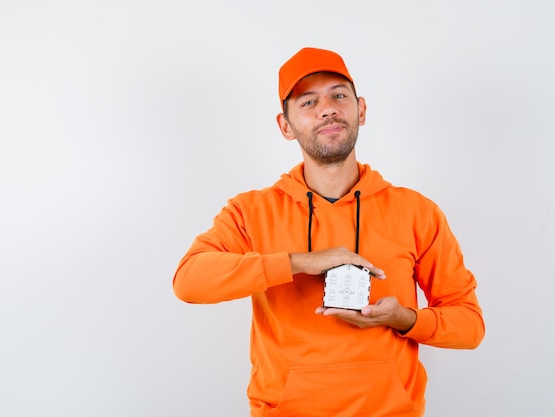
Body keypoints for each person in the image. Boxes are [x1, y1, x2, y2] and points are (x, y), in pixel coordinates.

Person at [173, 47, 485, 417]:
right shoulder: (250, 211)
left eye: (339, 95)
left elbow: (469, 325)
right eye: (308, 101)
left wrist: (405, 319)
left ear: (361, 110)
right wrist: (299, 262)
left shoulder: (416, 211)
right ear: (285, 126)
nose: (328, 108)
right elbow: (189, 282)